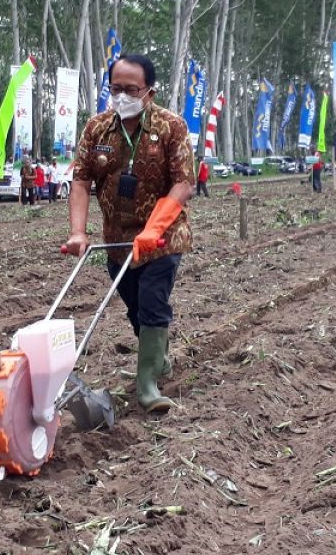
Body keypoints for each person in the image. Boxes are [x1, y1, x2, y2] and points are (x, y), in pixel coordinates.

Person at [64, 53, 194, 414]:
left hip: (162, 240)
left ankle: (147, 385)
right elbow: (81, 180)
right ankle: (158, 357)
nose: (122, 96)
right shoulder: (97, 128)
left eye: (130, 89)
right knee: (136, 309)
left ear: (149, 91)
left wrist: (154, 229)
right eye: (115, 88)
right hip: (117, 241)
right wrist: (78, 232)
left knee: (153, 303)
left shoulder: (171, 126)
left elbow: (184, 183)